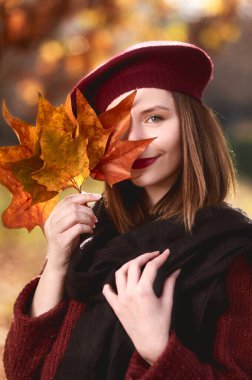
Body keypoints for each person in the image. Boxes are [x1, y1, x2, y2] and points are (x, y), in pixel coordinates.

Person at [3, 41, 252, 380]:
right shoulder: (91, 239)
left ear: (193, 129)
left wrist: (159, 349)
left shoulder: (233, 255)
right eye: (117, 127)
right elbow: (21, 372)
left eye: (154, 117)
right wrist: (57, 264)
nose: (134, 140)